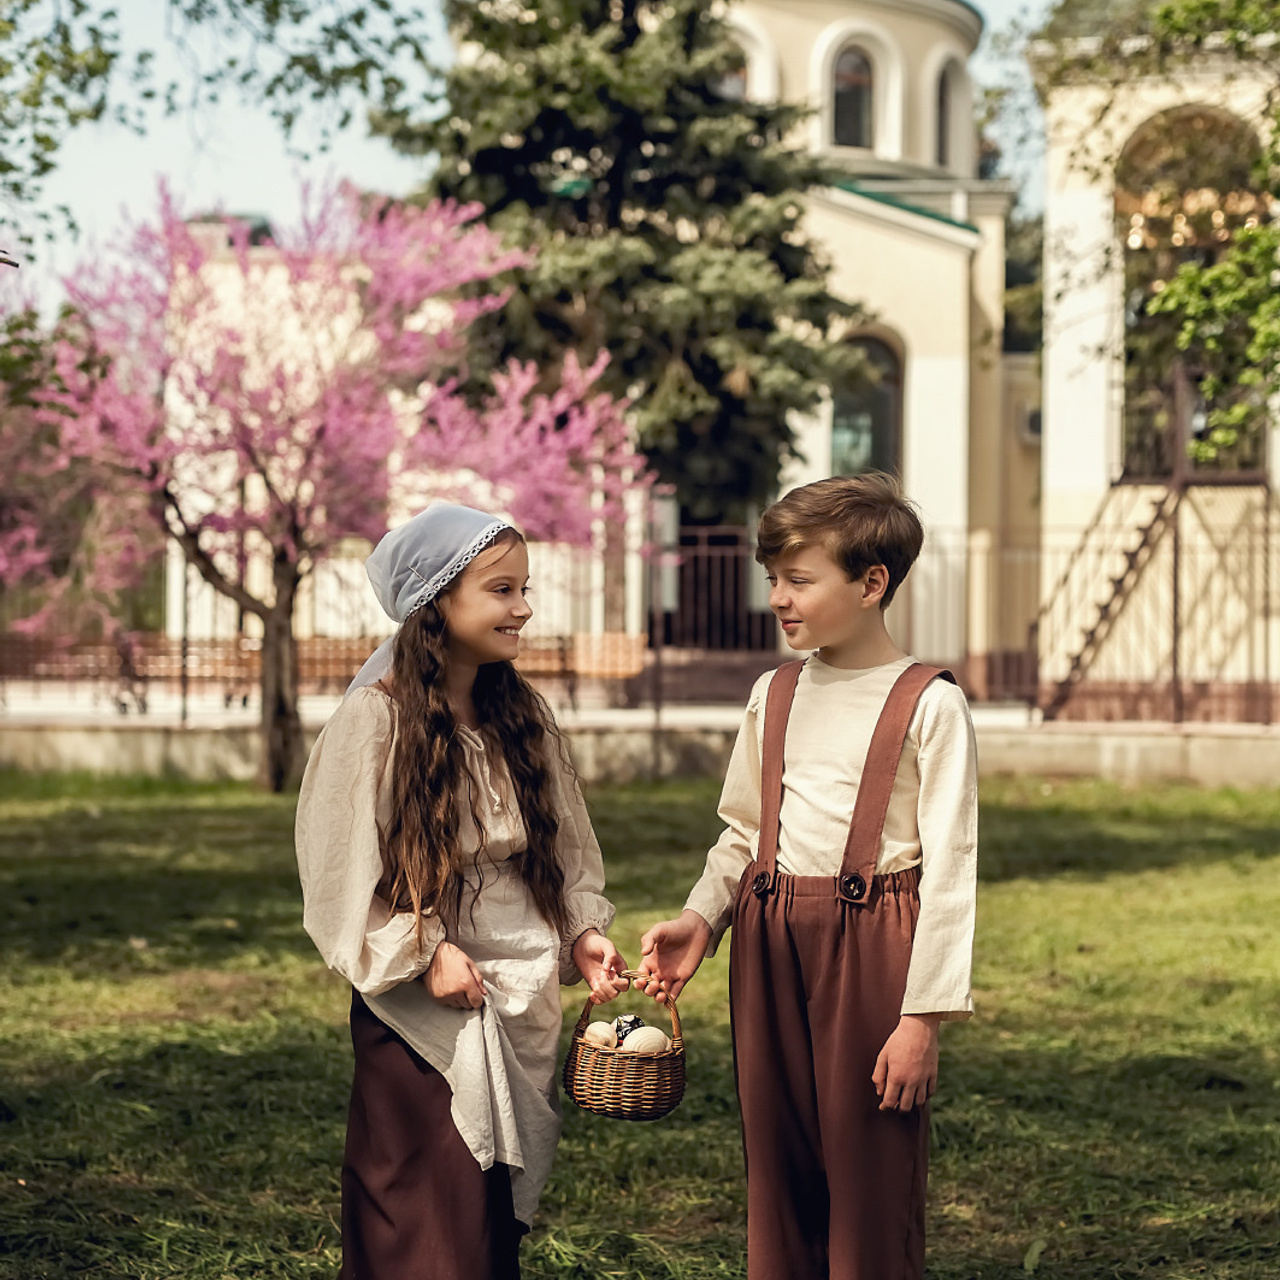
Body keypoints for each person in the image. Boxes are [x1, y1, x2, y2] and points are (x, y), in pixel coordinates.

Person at [637, 474, 978, 1280]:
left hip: (875, 945)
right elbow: (744, 832)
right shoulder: (775, 691)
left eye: (799, 579)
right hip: (769, 937)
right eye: (773, 580)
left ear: (871, 584)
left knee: (869, 1166)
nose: (779, 599)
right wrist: (700, 919)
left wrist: (921, 1018)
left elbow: (953, 868)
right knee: (777, 1160)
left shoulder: (929, 704)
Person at [295, 502, 629, 1280]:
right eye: (501, 590)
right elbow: (337, 875)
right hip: (424, 996)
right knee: (426, 1201)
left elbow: (566, 840)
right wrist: (424, 950)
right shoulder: (376, 722)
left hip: (520, 972)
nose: (524, 608)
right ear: (437, 601)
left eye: (525, 588)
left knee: (485, 1214)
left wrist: (580, 929)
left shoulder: (520, 713)